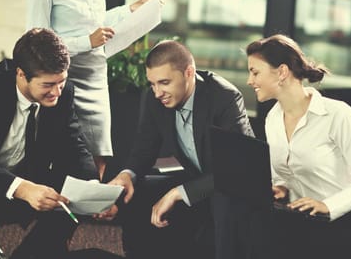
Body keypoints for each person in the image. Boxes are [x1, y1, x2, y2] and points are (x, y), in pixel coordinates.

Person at [26, 0, 151, 178]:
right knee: (67, 156)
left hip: (96, 73)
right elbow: (37, 44)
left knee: (100, 153)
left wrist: (131, 10)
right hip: (64, 78)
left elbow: (97, 21)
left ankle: (88, 209)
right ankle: (59, 215)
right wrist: (87, 41)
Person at [102, 40, 254, 259]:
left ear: (189, 73)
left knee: (221, 198)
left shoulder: (224, 98)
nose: (157, 92)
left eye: (164, 82)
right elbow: (144, 148)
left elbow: (234, 169)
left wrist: (178, 193)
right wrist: (127, 175)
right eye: (152, 84)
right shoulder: (154, 100)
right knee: (137, 187)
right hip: (194, 177)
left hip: (229, 184)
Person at [0, 28, 98, 259]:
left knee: (74, 194)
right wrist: (20, 188)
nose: (57, 92)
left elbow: (74, 144)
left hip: (29, 183)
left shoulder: (63, 93)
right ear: (21, 74)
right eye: (48, 85)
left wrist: (93, 189)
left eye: (61, 81)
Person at [245, 34, 351, 259]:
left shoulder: (338, 114)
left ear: (281, 72)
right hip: (299, 220)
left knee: (271, 240)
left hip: (345, 226)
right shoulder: (273, 118)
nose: (250, 81)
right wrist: (281, 188)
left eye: (255, 72)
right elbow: (283, 176)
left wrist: (327, 206)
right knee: (250, 225)